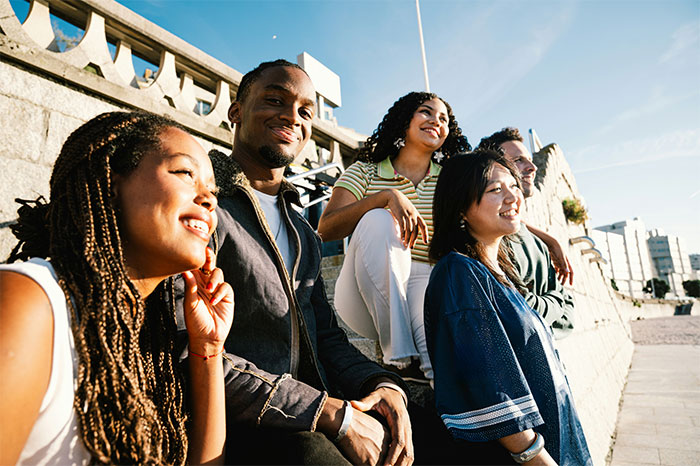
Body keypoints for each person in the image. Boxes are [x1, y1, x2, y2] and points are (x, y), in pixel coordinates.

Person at [192, 59, 413, 465]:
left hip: (317, 408)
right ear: (236, 111)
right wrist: (332, 415)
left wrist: (383, 384)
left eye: (306, 111)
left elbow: (326, 338)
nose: (292, 117)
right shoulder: (204, 208)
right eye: (275, 99)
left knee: (441, 422)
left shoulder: (302, 231)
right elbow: (193, 351)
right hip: (245, 424)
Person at [0, 112, 233, 465]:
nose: (209, 199)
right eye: (185, 173)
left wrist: (209, 349)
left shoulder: (143, 336)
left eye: (213, 191)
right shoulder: (31, 302)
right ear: (110, 181)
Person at [425, 150, 592, 465]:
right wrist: (535, 456)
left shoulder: (498, 275)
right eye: (494, 190)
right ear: (461, 207)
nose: (512, 196)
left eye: (513, 186)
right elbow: (489, 383)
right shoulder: (459, 273)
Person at [317, 92, 470, 382]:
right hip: (365, 289)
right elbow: (326, 229)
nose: (435, 121)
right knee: (377, 219)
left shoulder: (451, 180)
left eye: (444, 119)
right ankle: (398, 356)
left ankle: (425, 378)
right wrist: (386, 197)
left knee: (442, 366)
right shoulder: (365, 171)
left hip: (428, 281)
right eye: (426, 112)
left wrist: (548, 240)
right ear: (405, 120)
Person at [477, 127, 575, 338]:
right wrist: (555, 301)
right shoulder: (492, 238)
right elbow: (519, 309)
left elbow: (568, 318)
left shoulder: (538, 243)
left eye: (530, 160)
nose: (531, 167)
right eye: (519, 160)